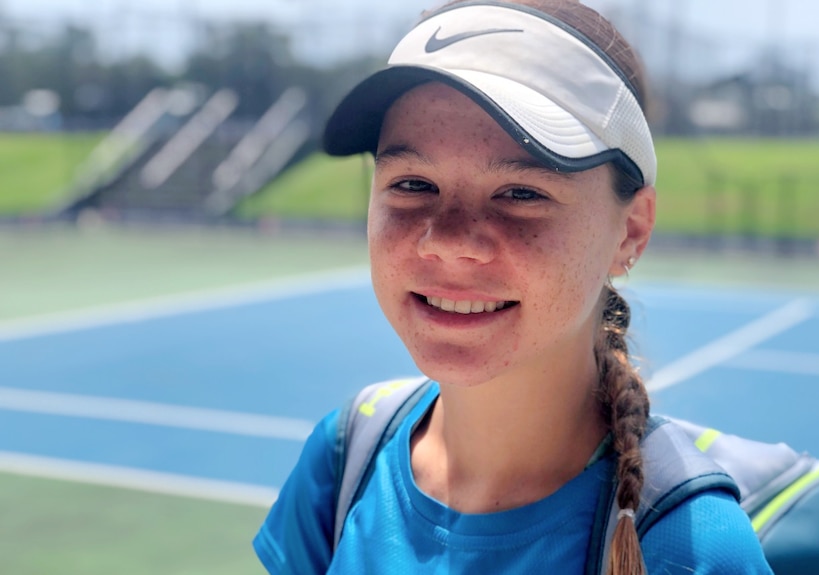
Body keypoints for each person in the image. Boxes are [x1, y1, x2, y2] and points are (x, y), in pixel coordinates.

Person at [254, 1, 775, 573]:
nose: (449, 240)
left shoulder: (690, 546)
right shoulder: (344, 454)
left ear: (631, 230)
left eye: (521, 193)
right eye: (412, 183)